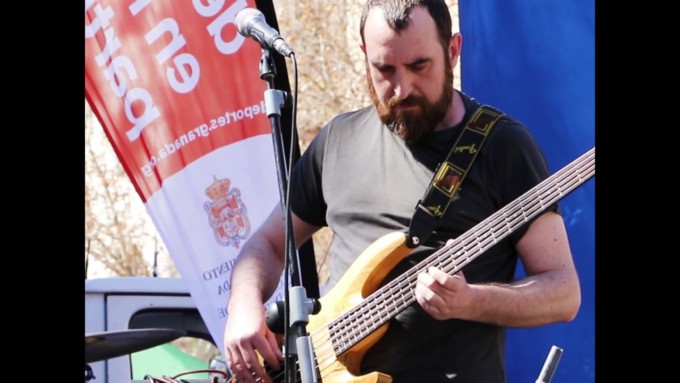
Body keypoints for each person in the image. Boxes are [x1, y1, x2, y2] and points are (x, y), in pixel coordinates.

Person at [223, 0, 581, 382]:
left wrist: (472, 301)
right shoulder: (338, 140)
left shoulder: (503, 146)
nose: (402, 87)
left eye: (419, 66)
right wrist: (243, 307)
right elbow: (268, 243)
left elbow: (562, 293)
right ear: (364, 55)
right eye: (384, 68)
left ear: (453, 50)